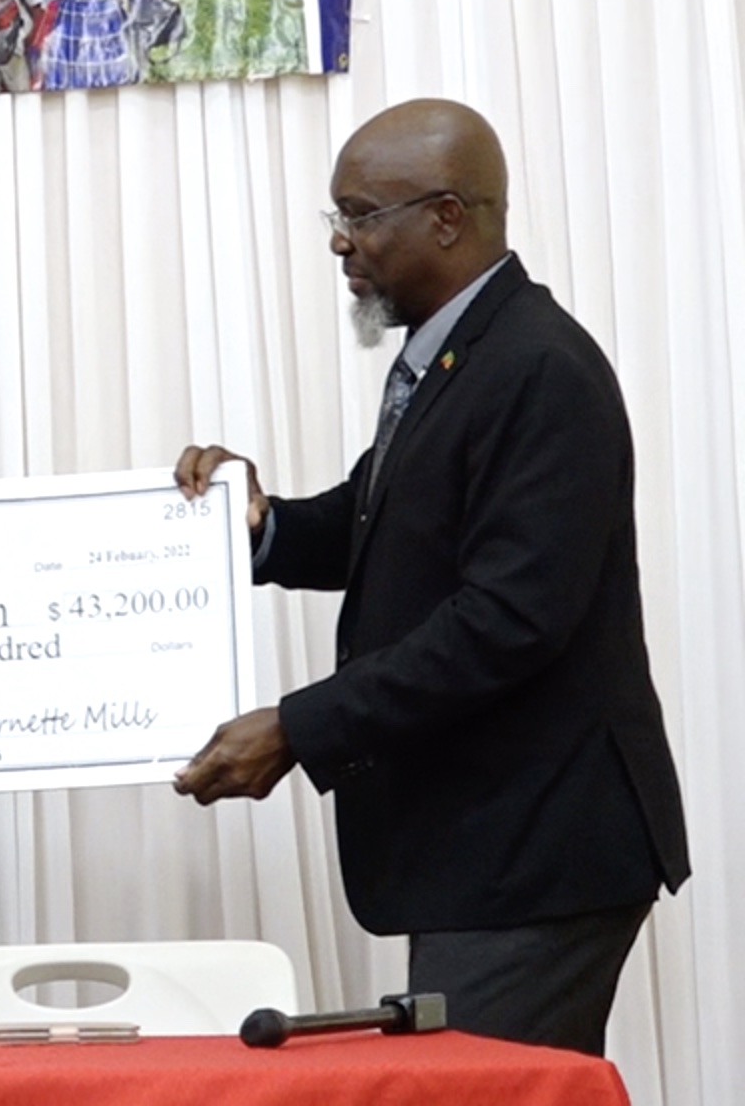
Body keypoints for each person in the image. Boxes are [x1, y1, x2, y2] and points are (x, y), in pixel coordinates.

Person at [171, 99, 689, 1056]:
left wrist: (298, 725)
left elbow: (508, 621)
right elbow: (377, 524)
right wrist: (250, 527)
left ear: (447, 217)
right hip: (487, 851)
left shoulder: (540, 369)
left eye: (360, 216)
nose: (339, 245)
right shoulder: (456, 357)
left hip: (538, 854)